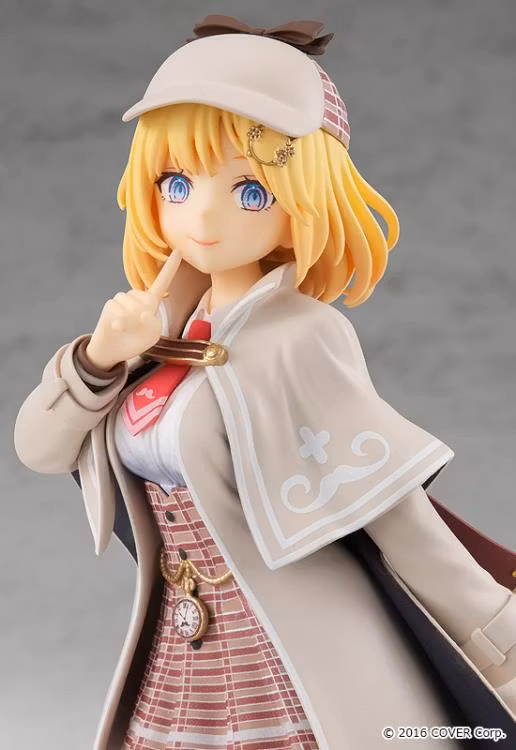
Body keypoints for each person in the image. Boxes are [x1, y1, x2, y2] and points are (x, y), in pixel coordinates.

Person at [14, 15, 516, 750]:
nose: (204, 216)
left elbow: (394, 513)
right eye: (177, 183)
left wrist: (499, 640)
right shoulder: (150, 331)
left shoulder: (304, 336)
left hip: (292, 644)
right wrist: (100, 358)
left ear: (305, 199)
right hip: (182, 636)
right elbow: (39, 446)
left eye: (250, 191)